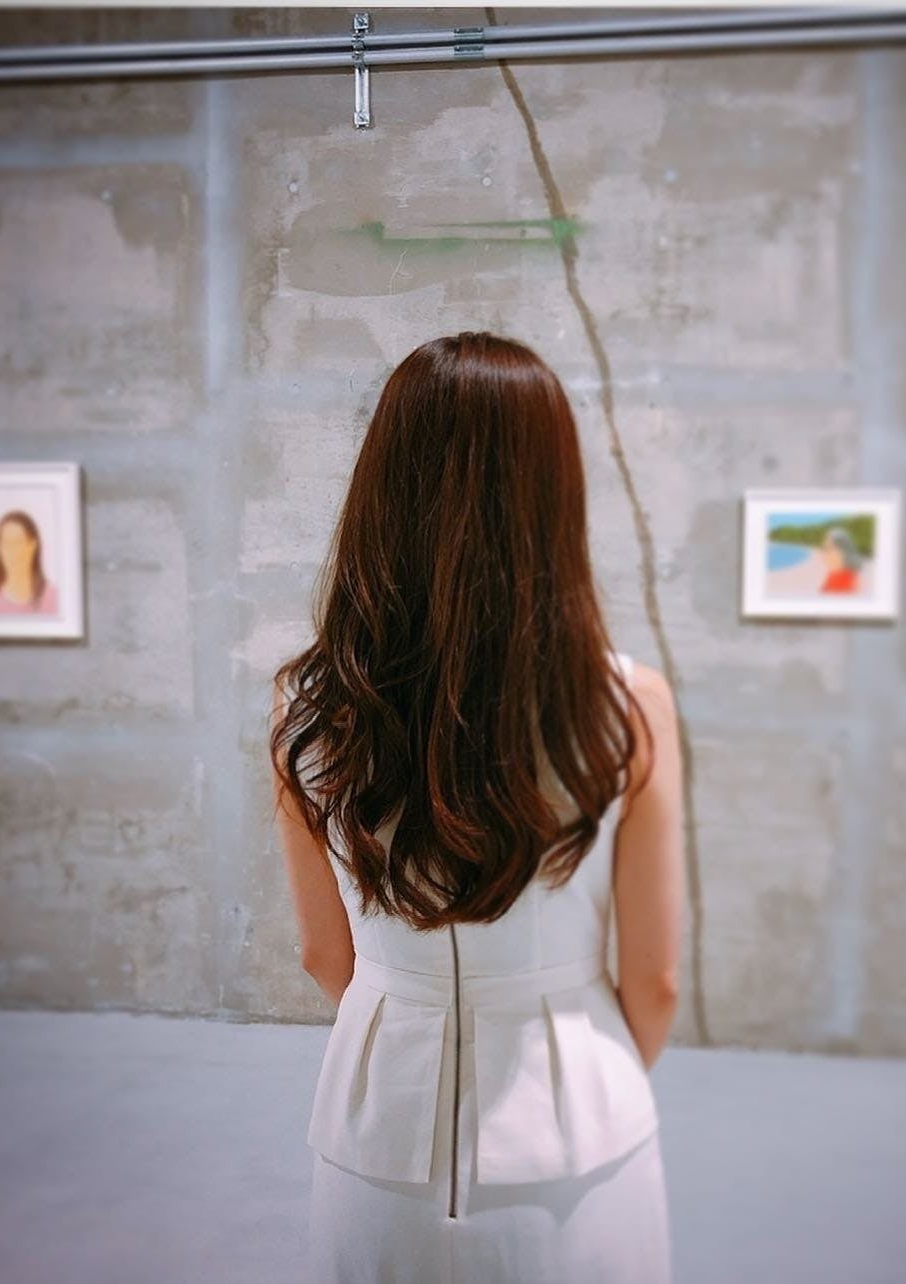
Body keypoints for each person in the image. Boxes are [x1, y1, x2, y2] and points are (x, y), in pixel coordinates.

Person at [268, 331, 684, 1283]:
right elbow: (655, 979)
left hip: (378, 1135)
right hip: (576, 1142)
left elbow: (324, 955)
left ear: (382, 486)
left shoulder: (310, 708)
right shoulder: (628, 708)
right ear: (552, 495)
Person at [818, 525, 862, 594]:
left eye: (828, 549)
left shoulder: (844, 582)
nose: (824, 555)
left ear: (843, 552)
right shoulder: (834, 575)